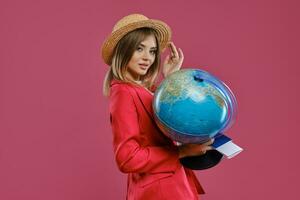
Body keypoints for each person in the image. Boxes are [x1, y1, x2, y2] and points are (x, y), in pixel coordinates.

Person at [101, 13, 214, 200]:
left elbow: (159, 126)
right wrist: (180, 152)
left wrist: (170, 78)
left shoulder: (143, 90)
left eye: (153, 51)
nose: (148, 58)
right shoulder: (123, 93)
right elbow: (127, 158)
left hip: (170, 186)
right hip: (160, 191)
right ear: (123, 51)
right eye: (140, 49)